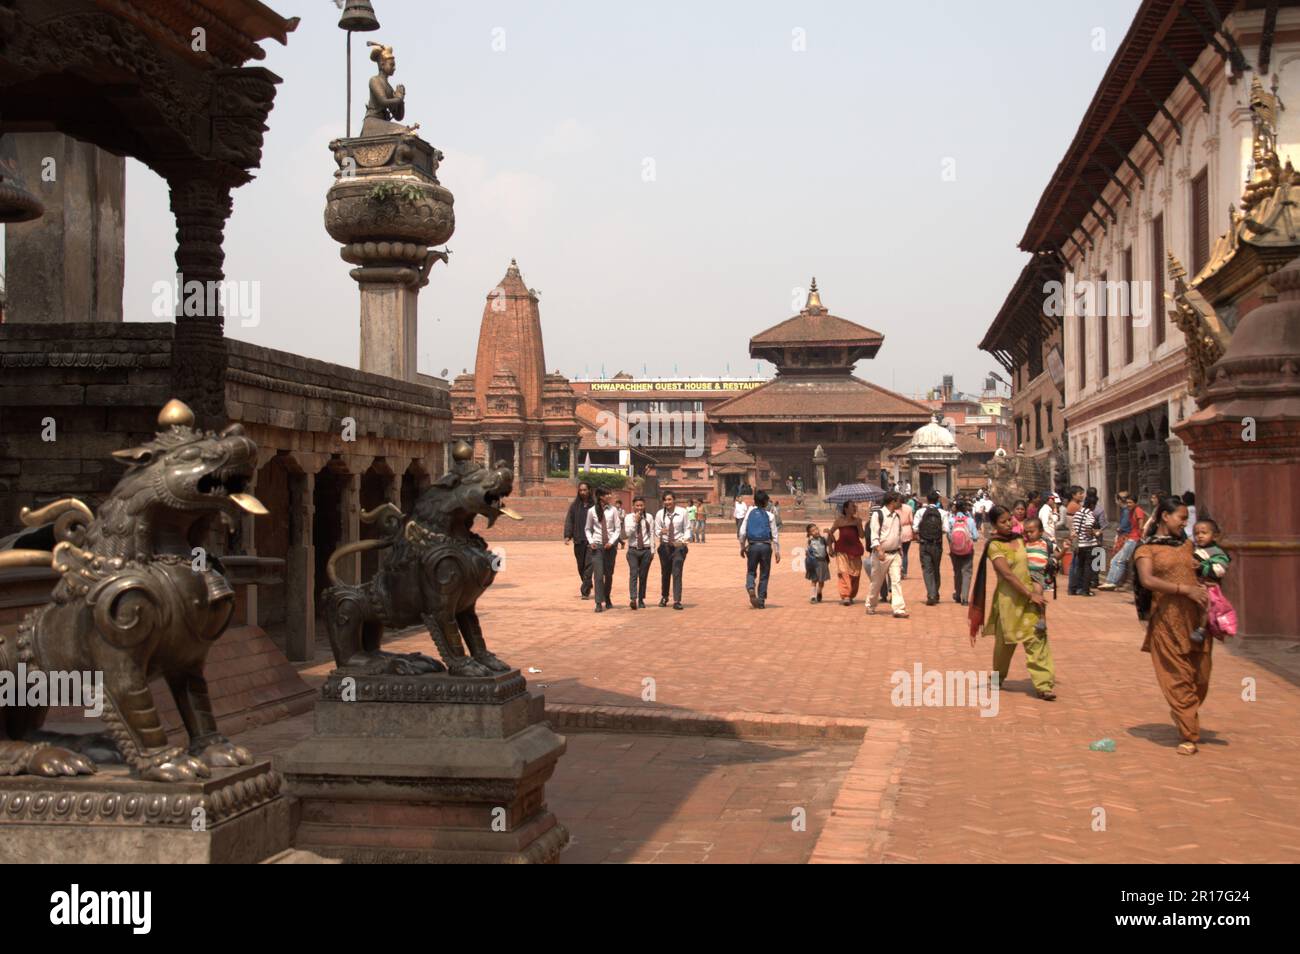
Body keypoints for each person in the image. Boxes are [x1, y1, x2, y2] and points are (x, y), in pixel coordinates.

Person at [1134, 497, 1212, 755]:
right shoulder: (1146, 549)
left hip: (1196, 619)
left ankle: (1183, 711)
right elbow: (1147, 580)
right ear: (1165, 517)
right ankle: (1189, 733)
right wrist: (1184, 589)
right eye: (1181, 518)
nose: (1184, 523)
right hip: (1166, 621)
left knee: (1200, 677)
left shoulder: (1187, 544)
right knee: (1178, 678)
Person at [969, 505, 1054, 700]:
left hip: (1031, 597)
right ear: (994, 525)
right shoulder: (994, 545)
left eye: (1009, 520)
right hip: (1010, 601)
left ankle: (1044, 685)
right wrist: (1028, 594)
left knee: (1037, 639)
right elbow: (1006, 574)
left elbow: (1037, 557)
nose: (1008, 524)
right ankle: (998, 677)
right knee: (1005, 645)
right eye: (1003, 521)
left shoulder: (1020, 539)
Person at [867, 492, 908, 618]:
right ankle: (871, 604)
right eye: (898, 501)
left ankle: (898, 609)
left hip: (894, 553)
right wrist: (879, 550)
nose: (900, 503)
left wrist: (900, 549)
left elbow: (897, 534)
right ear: (892, 502)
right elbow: (874, 534)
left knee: (896, 581)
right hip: (881, 554)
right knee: (877, 582)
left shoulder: (897, 516)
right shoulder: (878, 515)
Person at [1190, 518, 1231, 644]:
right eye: (1196, 533)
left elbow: (1219, 570)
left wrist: (1201, 567)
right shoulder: (1194, 549)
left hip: (1209, 586)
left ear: (1215, 536)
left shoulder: (1217, 553)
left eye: (1204, 533)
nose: (1200, 536)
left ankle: (1201, 629)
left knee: (1205, 606)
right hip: (1195, 584)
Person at [738, 489, 781, 608]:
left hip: (752, 546)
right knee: (764, 574)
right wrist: (777, 551)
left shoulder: (749, 513)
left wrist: (742, 547)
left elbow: (742, 533)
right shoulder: (770, 515)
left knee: (751, 571)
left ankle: (751, 587)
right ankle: (761, 600)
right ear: (766, 502)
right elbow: (775, 535)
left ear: (755, 501)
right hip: (766, 547)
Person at [584, 487, 621, 613]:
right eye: (607, 494)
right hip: (597, 547)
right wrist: (591, 541)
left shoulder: (613, 510)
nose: (609, 496)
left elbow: (617, 528)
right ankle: (598, 602)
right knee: (598, 576)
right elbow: (588, 529)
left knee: (608, 575)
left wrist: (611, 542)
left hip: (610, 547)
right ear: (600, 496)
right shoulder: (591, 511)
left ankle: (607, 597)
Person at [1098, 492, 1145, 591]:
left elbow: (1141, 526)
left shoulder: (1138, 511)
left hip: (1134, 539)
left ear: (1135, 503)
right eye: (1127, 502)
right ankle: (1111, 581)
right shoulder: (1130, 511)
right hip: (1130, 538)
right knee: (1119, 560)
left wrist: (1140, 538)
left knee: (1118, 560)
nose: (1128, 505)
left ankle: (1112, 582)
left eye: (1130, 502)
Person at [654, 491, 690, 610]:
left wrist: (683, 542)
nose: (667, 502)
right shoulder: (660, 514)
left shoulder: (682, 512)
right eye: (665, 500)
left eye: (669, 499)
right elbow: (656, 530)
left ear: (674, 500)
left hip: (678, 546)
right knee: (665, 572)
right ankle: (664, 597)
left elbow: (687, 529)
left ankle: (677, 600)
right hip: (665, 546)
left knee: (677, 572)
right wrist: (661, 532)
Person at [913, 491, 947, 606]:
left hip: (924, 544)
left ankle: (931, 594)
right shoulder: (943, 513)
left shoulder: (920, 512)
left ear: (926, 500)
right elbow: (946, 529)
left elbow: (915, 528)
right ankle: (935, 593)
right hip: (937, 544)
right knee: (936, 568)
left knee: (927, 570)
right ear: (938, 500)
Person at [562, 481, 595, 599]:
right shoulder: (575, 506)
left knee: (589, 565)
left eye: (585, 490)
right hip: (578, 540)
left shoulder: (595, 506)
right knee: (581, 566)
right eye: (580, 490)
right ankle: (588, 583)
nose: (583, 492)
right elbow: (569, 520)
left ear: (589, 491)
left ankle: (585, 591)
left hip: (591, 541)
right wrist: (567, 535)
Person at [828, 501, 865, 605]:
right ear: (845, 509)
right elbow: (830, 534)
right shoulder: (839, 521)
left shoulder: (857, 521)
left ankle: (851, 594)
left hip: (855, 550)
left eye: (855, 506)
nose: (854, 508)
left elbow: (862, 536)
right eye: (852, 506)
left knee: (855, 574)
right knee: (843, 573)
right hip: (842, 550)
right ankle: (846, 596)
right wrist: (830, 548)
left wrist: (859, 525)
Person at [624, 496, 655, 610]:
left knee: (643, 575)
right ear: (633, 506)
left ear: (644, 506)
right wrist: (635, 522)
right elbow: (627, 533)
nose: (639, 508)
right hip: (633, 550)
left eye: (641, 505)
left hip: (646, 550)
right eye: (637, 505)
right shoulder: (628, 517)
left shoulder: (650, 517)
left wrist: (652, 550)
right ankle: (633, 598)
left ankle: (641, 599)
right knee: (633, 574)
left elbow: (651, 533)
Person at [1067, 490, 1100, 596]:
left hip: (1079, 544)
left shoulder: (1078, 513)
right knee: (1088, 567)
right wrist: (1096, 533)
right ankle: (1086, 590)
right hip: (1088, 544)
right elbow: (1088, 528)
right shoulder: (1089, 514)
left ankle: (1074, 588)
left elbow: (1075, 528)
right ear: (1092, 504)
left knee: (1079, 567)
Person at [1023, 517, 1051, 635]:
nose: (1029, 534)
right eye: (1027, 532)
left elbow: (1057, 555)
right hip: (1027, 573)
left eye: (1032, 531)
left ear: (1040, 531)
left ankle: (1042, 618)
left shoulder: (1045, 544)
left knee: (1038, 594)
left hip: (1039, 574)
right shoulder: (1025, 544)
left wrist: (1064, 549)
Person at [948, 497, 977, 605]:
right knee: (967, 572)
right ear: (965, 509)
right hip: (968, 550)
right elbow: (975, 536)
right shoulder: (970, 521)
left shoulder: (951, 520)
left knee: (957, 572)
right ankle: (965, 598)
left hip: (955, 550)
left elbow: (949, 535)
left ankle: (958, 594)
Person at [805, 523, 830, 603]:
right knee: (814, 580)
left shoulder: (823, 539)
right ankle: (813, 596)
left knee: (821, 581)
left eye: (816, 529)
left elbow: (829, 541)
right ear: (809, 533)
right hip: (814, 562)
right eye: (812, 531)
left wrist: (828, 532)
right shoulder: (810, 541)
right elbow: (807, 551)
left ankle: (819, 592)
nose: (815, 531)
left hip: (823, 562)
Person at [898, 494, 915, 580]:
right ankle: (904, 572)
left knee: (898, 553)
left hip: (898, 531)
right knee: (905, 553)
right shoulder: (908, 508)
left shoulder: (895, 509)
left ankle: (899, 570)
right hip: (907, 530)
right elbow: (912, 521)